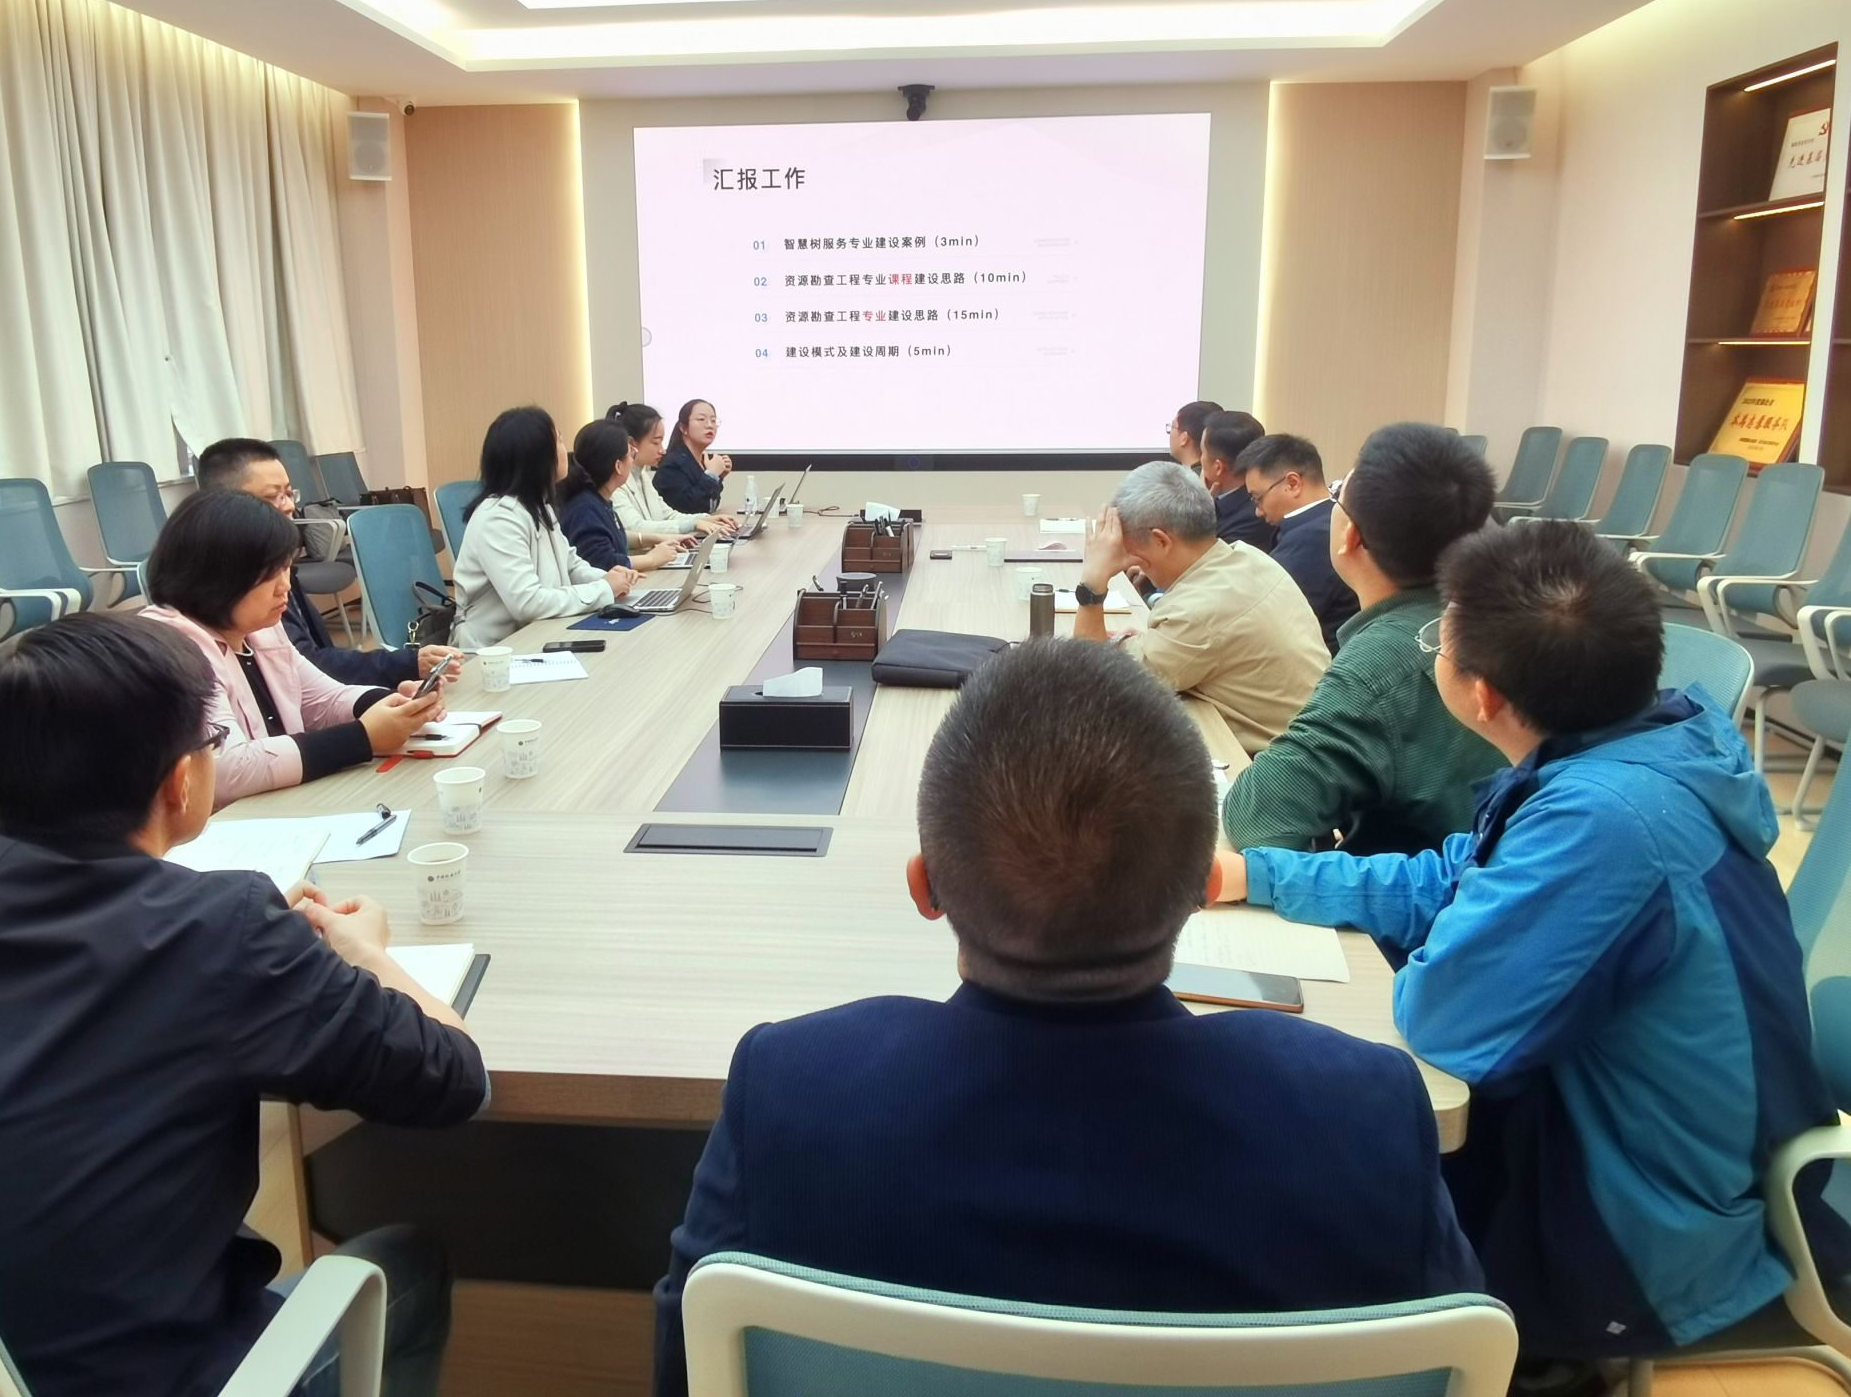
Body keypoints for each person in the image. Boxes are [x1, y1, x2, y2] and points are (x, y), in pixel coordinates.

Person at [652, 638, 1482, 1397]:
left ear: (925, 888)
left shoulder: (791, 1095)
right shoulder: (1366, 1114)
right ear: (1204, 890)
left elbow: (687, 1369)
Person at [1212, 522, 1851, 1372]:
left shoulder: (1604, 824)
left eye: (1439, 641)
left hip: (1643, 1237)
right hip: (1643, 1152)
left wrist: (1446, 933)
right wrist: (1254, 874)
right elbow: (1451, 880)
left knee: (1292, 1168)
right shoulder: (1632, 751)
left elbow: (1444, 1016)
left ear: (1482, 696)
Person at [0, 612, 488, 1397]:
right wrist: (366, 952)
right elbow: (454, 1079)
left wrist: (246, 949)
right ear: (179, 781)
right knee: (407, 1264)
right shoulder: (220, 931)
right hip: (127, 1376)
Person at [1222, 423, 1503, 856]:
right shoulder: (1509, 617)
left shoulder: (1379, 666)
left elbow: (1258, 818)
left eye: (1336, 493)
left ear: (1350, 536)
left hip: (1419, 891)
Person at [140, 489, 443, 806]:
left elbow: (320, 698)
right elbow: (227, 769)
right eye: (270, 573)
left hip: (277, 806)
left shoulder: (259, 627)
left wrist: (392, 704)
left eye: (286, 567)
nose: (284, 586)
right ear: (215, 575)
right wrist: (363, 737)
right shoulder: (170, 646)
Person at [1072, 461, 1328, 752]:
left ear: (1160, 540)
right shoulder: (1250, 558)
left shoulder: (1198, 613)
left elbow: (1090, 676)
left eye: (1130, 551)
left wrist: (1093, 581)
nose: (1129, 561)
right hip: (1316, 744)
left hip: (1275, 766)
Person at [194, 438, 463, 686]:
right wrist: (404, 664)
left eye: (289, 493)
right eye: (272, 497)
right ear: (226, 504)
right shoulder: (237, 585)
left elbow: (315, 678)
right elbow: (304, 669)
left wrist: (377, 699)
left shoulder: (274, 558)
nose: (288, 506)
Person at [452, 405, 634, 648]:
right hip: (492, 651)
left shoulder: (539, 507)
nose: (565, 450)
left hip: (539, 636)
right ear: (537, 455)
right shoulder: (499, 517)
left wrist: (608, 578)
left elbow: (571, 565)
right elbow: (527, 603)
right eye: (559, 440)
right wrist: (603, 589)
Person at [1235, 434, 1358, 652]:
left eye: (1258, 498)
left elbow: (1264, 614)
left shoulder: (1312, 537)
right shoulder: (1327, 519)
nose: (1257, 511)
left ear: (1292, 484)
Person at [559, 418, 687, 573]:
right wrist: (652, 558)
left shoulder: (599, 500)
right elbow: (601, 563)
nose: (633, 459)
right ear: (618, 466)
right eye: (631, 454)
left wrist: (656, 538)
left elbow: (613, 537)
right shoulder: (585, 509)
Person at [605, 400, 736, 545]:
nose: (662, 450)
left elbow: (667, 514)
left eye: (713, 420)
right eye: (656, 442)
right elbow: (635, 528)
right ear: (631, 444)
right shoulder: (615, 480)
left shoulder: (642, 475)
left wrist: (706, 519)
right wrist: (694, 523)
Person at [1198, 410, 1277, 551]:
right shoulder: (1219, 499)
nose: (1200, 459)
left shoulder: (1253, 517)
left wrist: (1199, 508)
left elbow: (1204, 559)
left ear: (1218, 467)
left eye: (1202, 452)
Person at [652, 397, 730, 514]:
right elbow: (689, 507)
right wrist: (711, 475)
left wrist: (719, 477)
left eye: (713, 420)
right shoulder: (672, 463)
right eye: (701, 419)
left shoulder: (703, 462)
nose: (710, 425)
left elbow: (709, 506)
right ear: (683, 428)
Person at [1165, 398, 1221, 470]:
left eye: (1172, 426)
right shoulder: (1218, 473)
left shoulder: (1184, 477)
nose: (1170, 433)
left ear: (1184, 438)